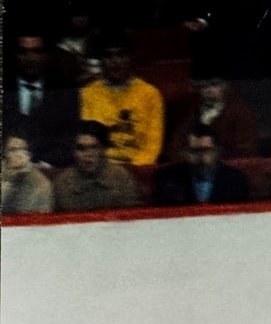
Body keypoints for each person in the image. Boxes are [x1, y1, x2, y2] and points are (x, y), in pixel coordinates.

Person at [79, 29, 165, 165]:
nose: (115, 61)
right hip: (100, 168)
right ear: (101, 60)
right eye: (109, 56)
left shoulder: (150, 94)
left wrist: (135, 170)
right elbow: (86, 144)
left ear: (130, 57)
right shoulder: (87, 94)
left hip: (139, 169)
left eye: (121, 55)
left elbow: (153, 147)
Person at [2, 30, 80, 167]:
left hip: (50, 168)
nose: (30, 58)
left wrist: (45, 164)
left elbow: (70, 138)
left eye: (36, 52)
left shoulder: (65, 91)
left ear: (46, 55)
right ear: (15, 55)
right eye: (23, 52)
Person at [53, 120, 144, 211]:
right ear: (73, 151)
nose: (88, 154)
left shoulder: (122, 179)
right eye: (81, 148)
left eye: (94, 147)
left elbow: (133, 220)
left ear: (104, 149)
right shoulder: (63, 184)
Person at [153, 123, 250, 205]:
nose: (201, 158)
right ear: (185, 153)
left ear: (217, 151)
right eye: (194, 151)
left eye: (206, 151)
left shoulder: (236, 180)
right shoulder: (167, 180)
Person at [1, 133, 54, 213]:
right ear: (4, 152)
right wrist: (9, 180)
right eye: (12, 150)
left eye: (22, 150)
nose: (18, 155)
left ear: (29, 154)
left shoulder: (42, 184)